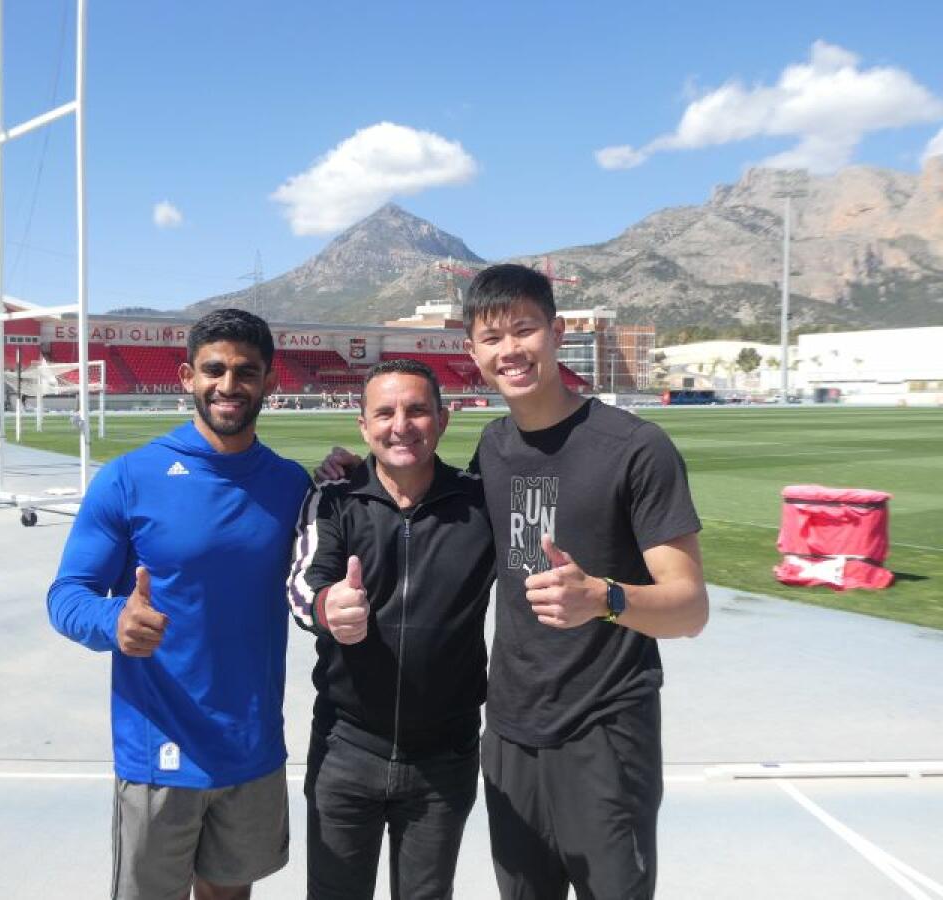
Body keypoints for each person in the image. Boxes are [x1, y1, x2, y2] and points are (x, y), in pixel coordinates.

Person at [318, 264, 708, 899]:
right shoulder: (494, 451)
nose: (511, 350)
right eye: (492, 337)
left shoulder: (636, 448)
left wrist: (605, 598)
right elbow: (423, 493)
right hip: (509, 732)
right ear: (472, 353)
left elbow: (690, 607)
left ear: (556, 333)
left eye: (525, 330)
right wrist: (348, 469)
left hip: (604, 729)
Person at [47, 309, 311, 900]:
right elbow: (66, 595)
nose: (229, 385)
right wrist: (113, 619)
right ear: (186, 376)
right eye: (214, 369)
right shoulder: (128, 479)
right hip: (158, 747)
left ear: (270, 382)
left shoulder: (293, 485)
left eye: (246, 371)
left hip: (251, 744)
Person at [288, 358, 496, 900]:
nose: (400, 424)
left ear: (443, 420)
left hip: (444, 758)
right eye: (384, 412)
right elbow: (302, 588)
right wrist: (329, 607)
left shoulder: (480, 505)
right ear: (363, 425)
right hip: (346, 747)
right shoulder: (333, 499)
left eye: (417, 410)